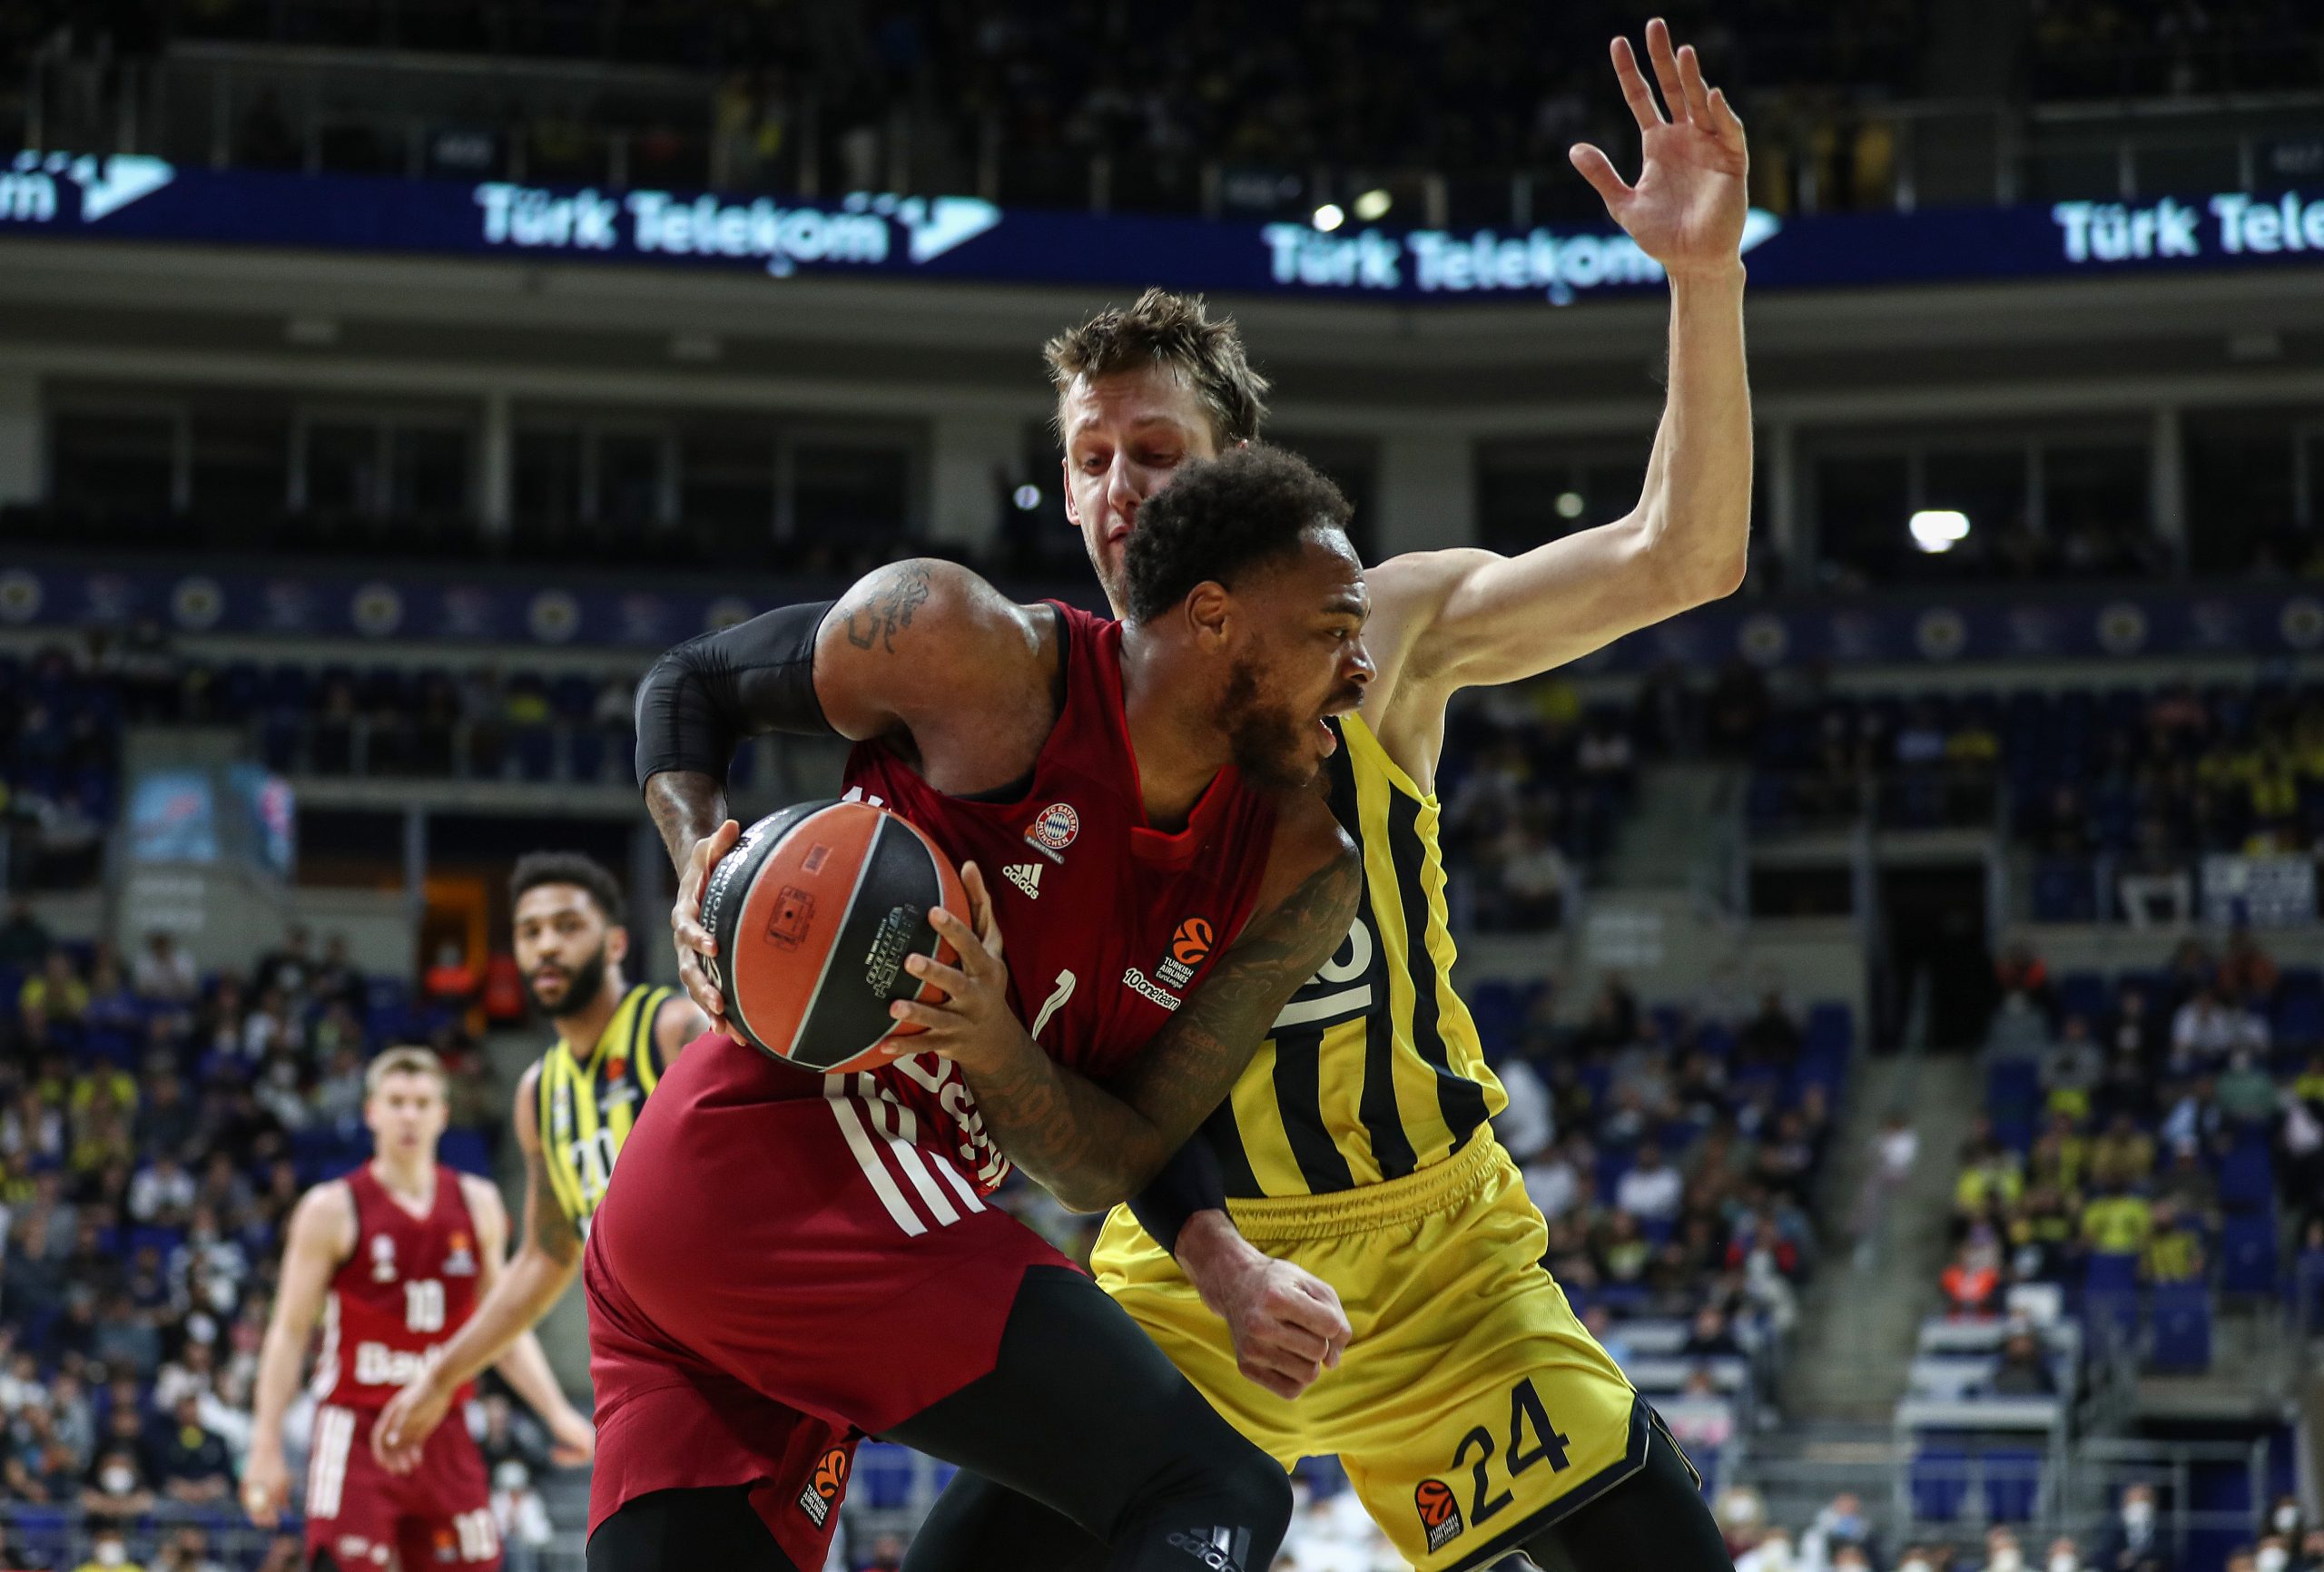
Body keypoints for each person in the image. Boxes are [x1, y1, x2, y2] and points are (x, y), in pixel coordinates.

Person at [877, 20, 1750, 1572]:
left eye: (1156, 450)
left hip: (1444, 1268)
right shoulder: (1024, 724)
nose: (1115, 489)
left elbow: (1685, 558)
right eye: (1087, 457)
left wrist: (1702, 281)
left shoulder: (1385, 637)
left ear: (1241, 473)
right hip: (1193, 1270)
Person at [605, 444, 1373, 1571]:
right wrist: (698, 872)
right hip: (793, 1160)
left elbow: (1111, 1161)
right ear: (1213, 618)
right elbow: (687, 684)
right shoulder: (963, 645)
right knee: (1210, 1489)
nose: (1362, 669)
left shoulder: (1299, 869)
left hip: (726, 1218)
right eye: (1333, 630)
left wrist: (998, 1049)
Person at [373, 852, 705, 1469]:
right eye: (530, 932)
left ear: (615, 943)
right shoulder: (539, 1094)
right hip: (644, 1366)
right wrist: (440, 1378)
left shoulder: (674, 1032)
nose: (546, 945)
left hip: (731, 1351)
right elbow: (547, 1255)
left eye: (567, 926)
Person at [243, 1047, 594, 1572]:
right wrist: (265, 1444)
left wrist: (556, 1413)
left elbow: (502, 1326)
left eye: (422, 1102)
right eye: (397, 1102)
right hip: (357, 1426)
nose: (409, 1115)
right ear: (372, 1112)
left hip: (444, 1426)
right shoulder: (331, 1208)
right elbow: (289, 1332)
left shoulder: (477, 1204)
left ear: (442, 1115)